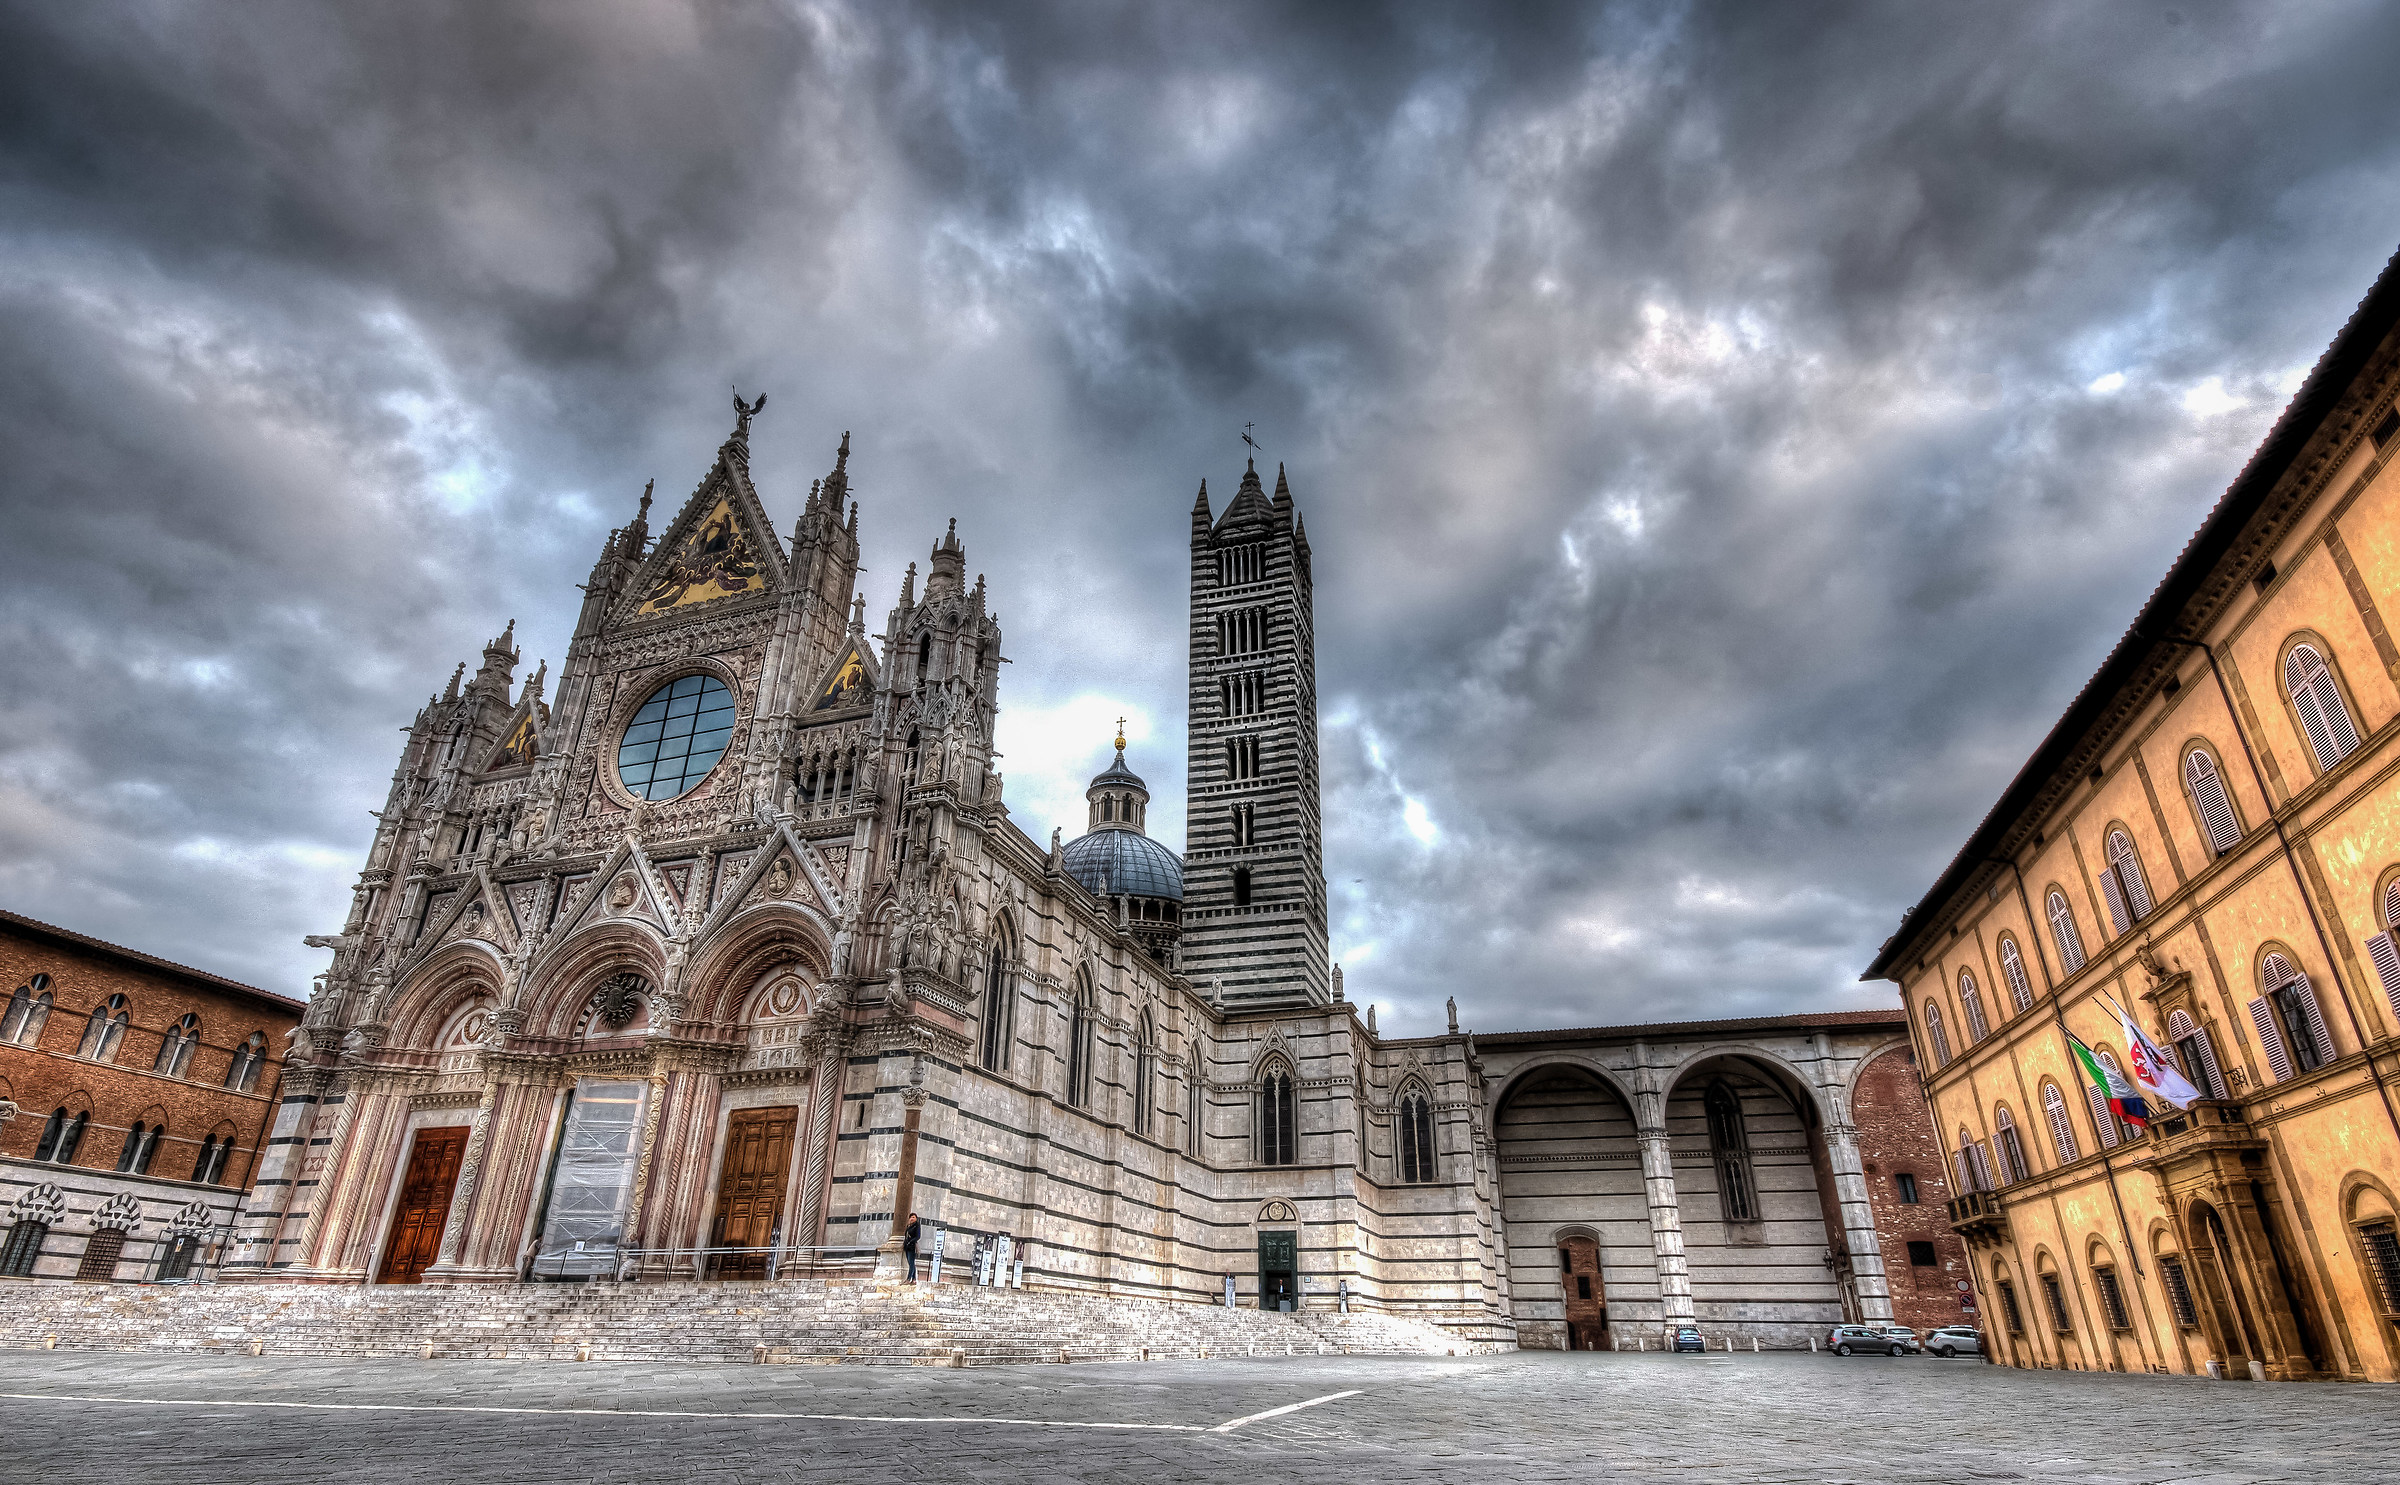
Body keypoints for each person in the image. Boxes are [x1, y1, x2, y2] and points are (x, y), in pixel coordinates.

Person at [903, 1212, 921, 1282]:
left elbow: (918, 1236)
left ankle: (908, 1278)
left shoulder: (917, 1225)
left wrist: (911, 1241)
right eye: (911, 1217)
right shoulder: (909, 1226)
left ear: (916, 1218)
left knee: (911, 1263)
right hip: (907, 1247)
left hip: (912, 1246)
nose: (912, 1219)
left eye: (913, 1217)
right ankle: (914, 1279)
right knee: (911, 1263)